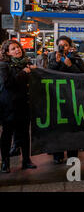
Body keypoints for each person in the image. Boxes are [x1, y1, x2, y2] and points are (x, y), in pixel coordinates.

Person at [48, 36, 84, 164]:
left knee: (72, 127)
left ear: (70, 46)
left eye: (65, 45)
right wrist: (56, 62)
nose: (62, 48)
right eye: (60, 45)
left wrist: (70, 65)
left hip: (72, 97)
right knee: (58, 127)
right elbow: (48, 74)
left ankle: (72, 154)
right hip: (57, 97)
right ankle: (57, 154)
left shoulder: (76, 59)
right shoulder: (52, 57)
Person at [0, 40, 37, 172]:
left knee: (25, 134)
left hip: (23, 104)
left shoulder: (26, 63)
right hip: (9, 106)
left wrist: (34, 71)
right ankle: (5, 163)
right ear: (7, 52)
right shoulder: (4, 65)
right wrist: (24, 72)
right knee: (7, 135)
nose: (17, 50)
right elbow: (8, 83)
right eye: (13, 48)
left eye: (18, 47)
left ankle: (26, 160)